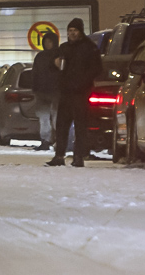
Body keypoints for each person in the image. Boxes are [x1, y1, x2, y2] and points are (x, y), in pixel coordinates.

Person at [48, 17, 103, 167]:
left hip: (81, 92)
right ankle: (59, 155)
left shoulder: (89, 48)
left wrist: (83, 82)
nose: (72, 33)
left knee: (80, 126)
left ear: (80, 31)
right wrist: (55, 64)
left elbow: (96, 68)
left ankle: (79, 157)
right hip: (66, 92)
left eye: (75, 31)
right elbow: (54, 65)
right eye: (70, 31)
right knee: (61, 125)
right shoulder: (64, 48)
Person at [31, 29, 62, 152]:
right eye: (46, 42)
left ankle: (58, 140)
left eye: (50, 42)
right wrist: (35, 88)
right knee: (43, 118)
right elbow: (35, 73)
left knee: (56, 117)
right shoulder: (41, 56)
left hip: (55, 92)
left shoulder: (59, 56)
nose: (48, 44)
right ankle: (45, 140)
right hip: (42, 92)